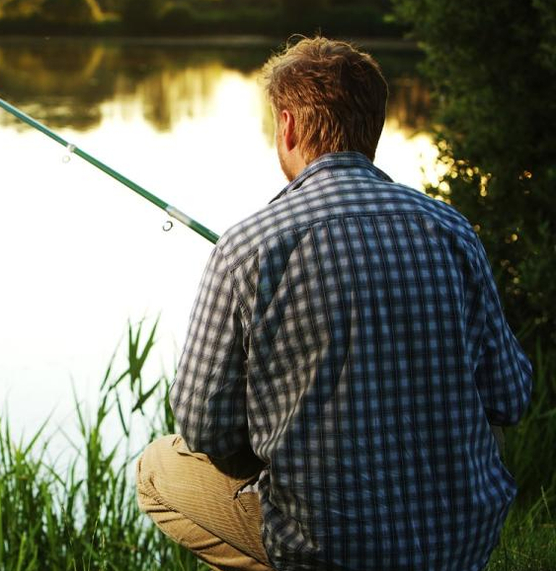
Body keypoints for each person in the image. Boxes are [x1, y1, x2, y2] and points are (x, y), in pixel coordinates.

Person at [136, 37, 533, 571]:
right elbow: (510, 396)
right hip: (460, 547)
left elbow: (205, 426)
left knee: (158, 470)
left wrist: (271, 441)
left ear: (289, 127)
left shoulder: (249, 245)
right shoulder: (451, 229)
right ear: (374, 127)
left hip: (326, 552)